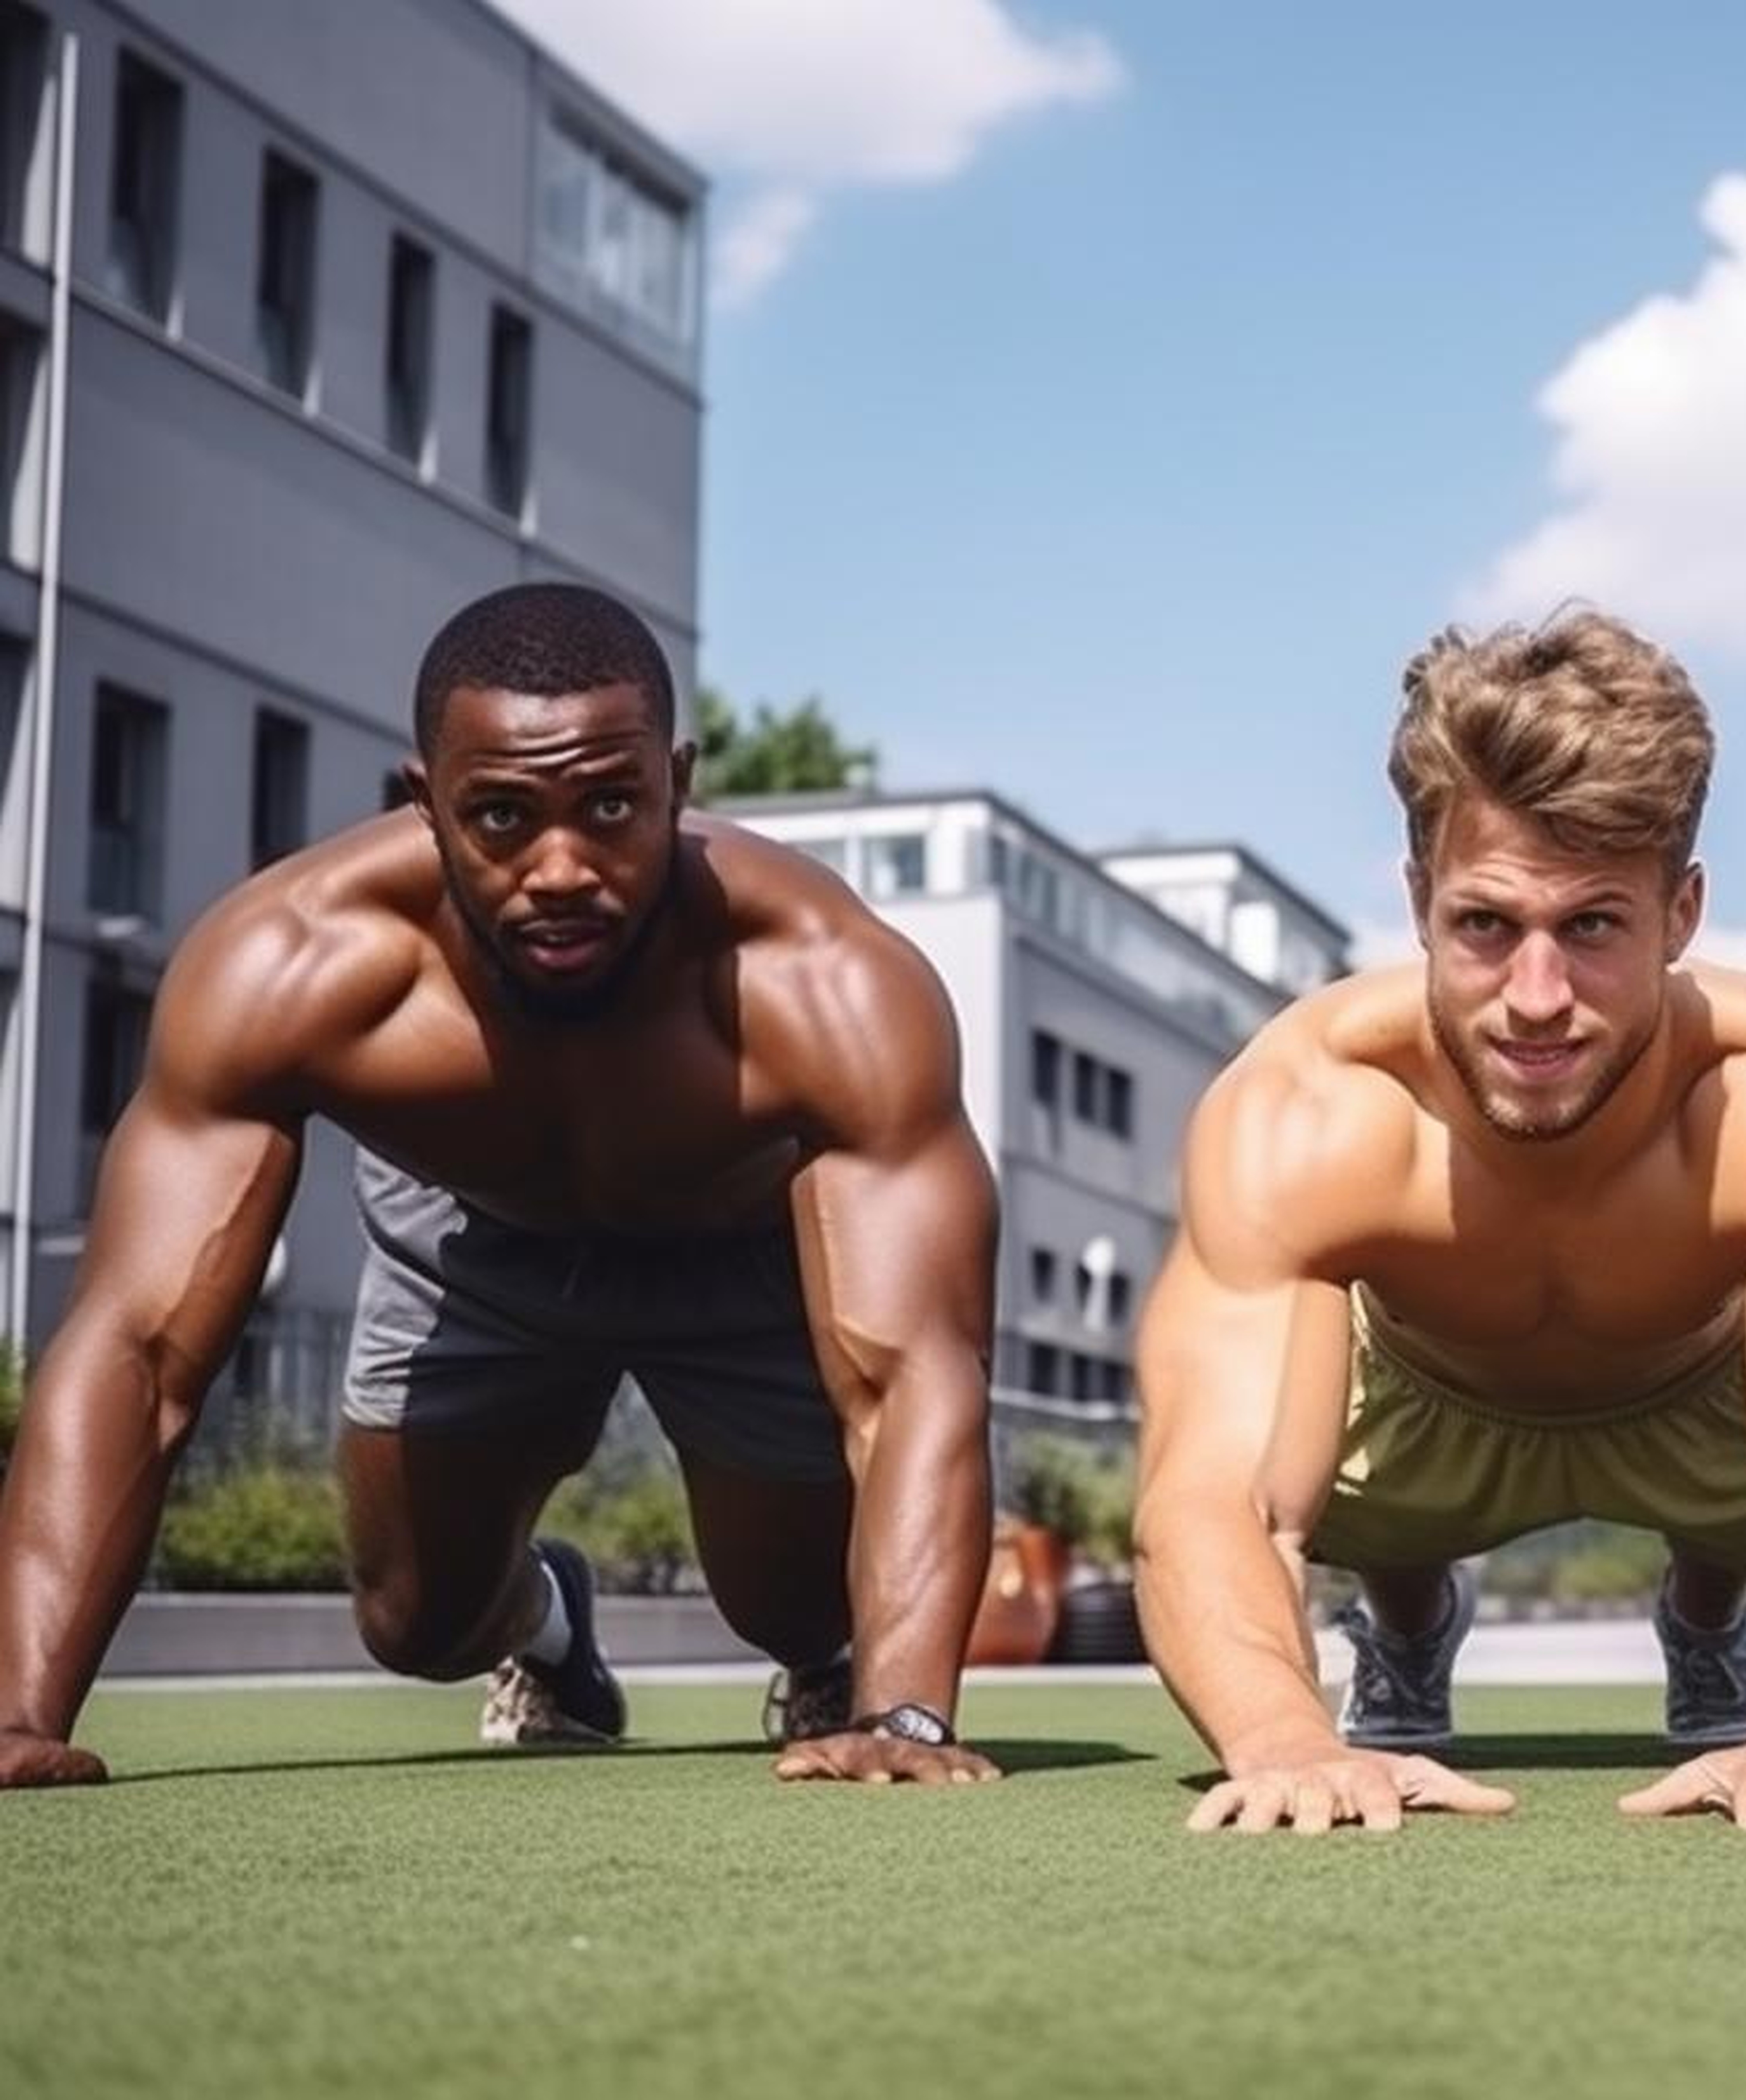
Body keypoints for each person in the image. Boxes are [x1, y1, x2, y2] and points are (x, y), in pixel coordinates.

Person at [0, 582, 1001, 1789]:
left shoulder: (824, 984)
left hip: (741, 1262)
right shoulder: (287, 967)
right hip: (471, 1245)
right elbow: (139, 1348)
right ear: (426, 804)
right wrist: (19, 1716)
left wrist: (906, 1718)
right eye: (503, 817)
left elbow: (917, 1373)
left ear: (678, 785)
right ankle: (554, 1628)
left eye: (612, 806)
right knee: (416, 1622)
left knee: (791, 1601)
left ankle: (829, 1659)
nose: (562, 867)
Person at [1132, 610, 1746, 1833]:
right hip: (1417, 1418)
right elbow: (1216, 1497)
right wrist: (1282, 1739)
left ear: (1681, 916)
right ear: (1419, 901)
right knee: (1317, 1458)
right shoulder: (1308, 1108)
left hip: (1707, 1418)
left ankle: (1707, 1610)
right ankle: (1408, 1620)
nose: (1537, 1000)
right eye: (1486, 925)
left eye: (1593, 928)